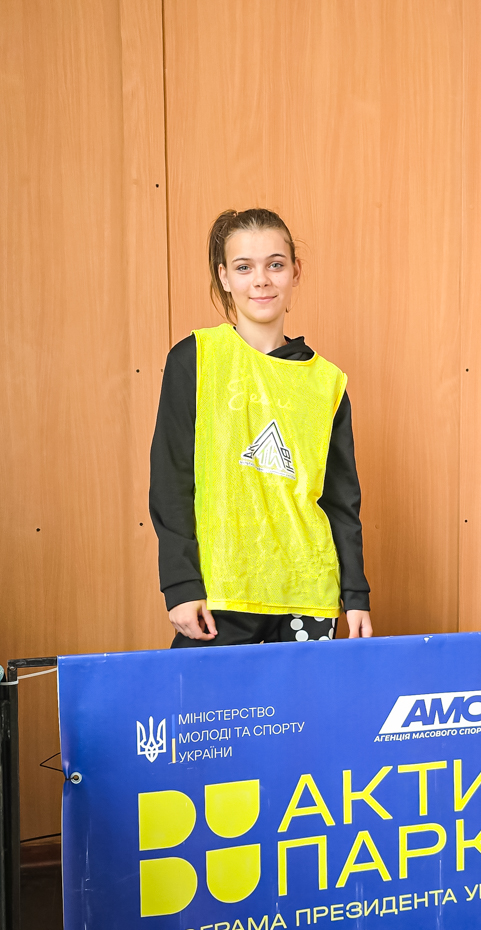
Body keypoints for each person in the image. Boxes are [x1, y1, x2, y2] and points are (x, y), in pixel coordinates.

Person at [149, 208, 372, 647]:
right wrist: (181, 584)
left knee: (307, 697)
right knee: (205, 695)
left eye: (275, 264)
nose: (261, 280)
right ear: (224, 277)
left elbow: (341, 501)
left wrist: (355, 594)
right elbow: (171, 480)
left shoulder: (327, 383)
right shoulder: (195, 358)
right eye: (243, 267)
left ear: (295, 272)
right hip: (222, 592)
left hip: (309, 596)